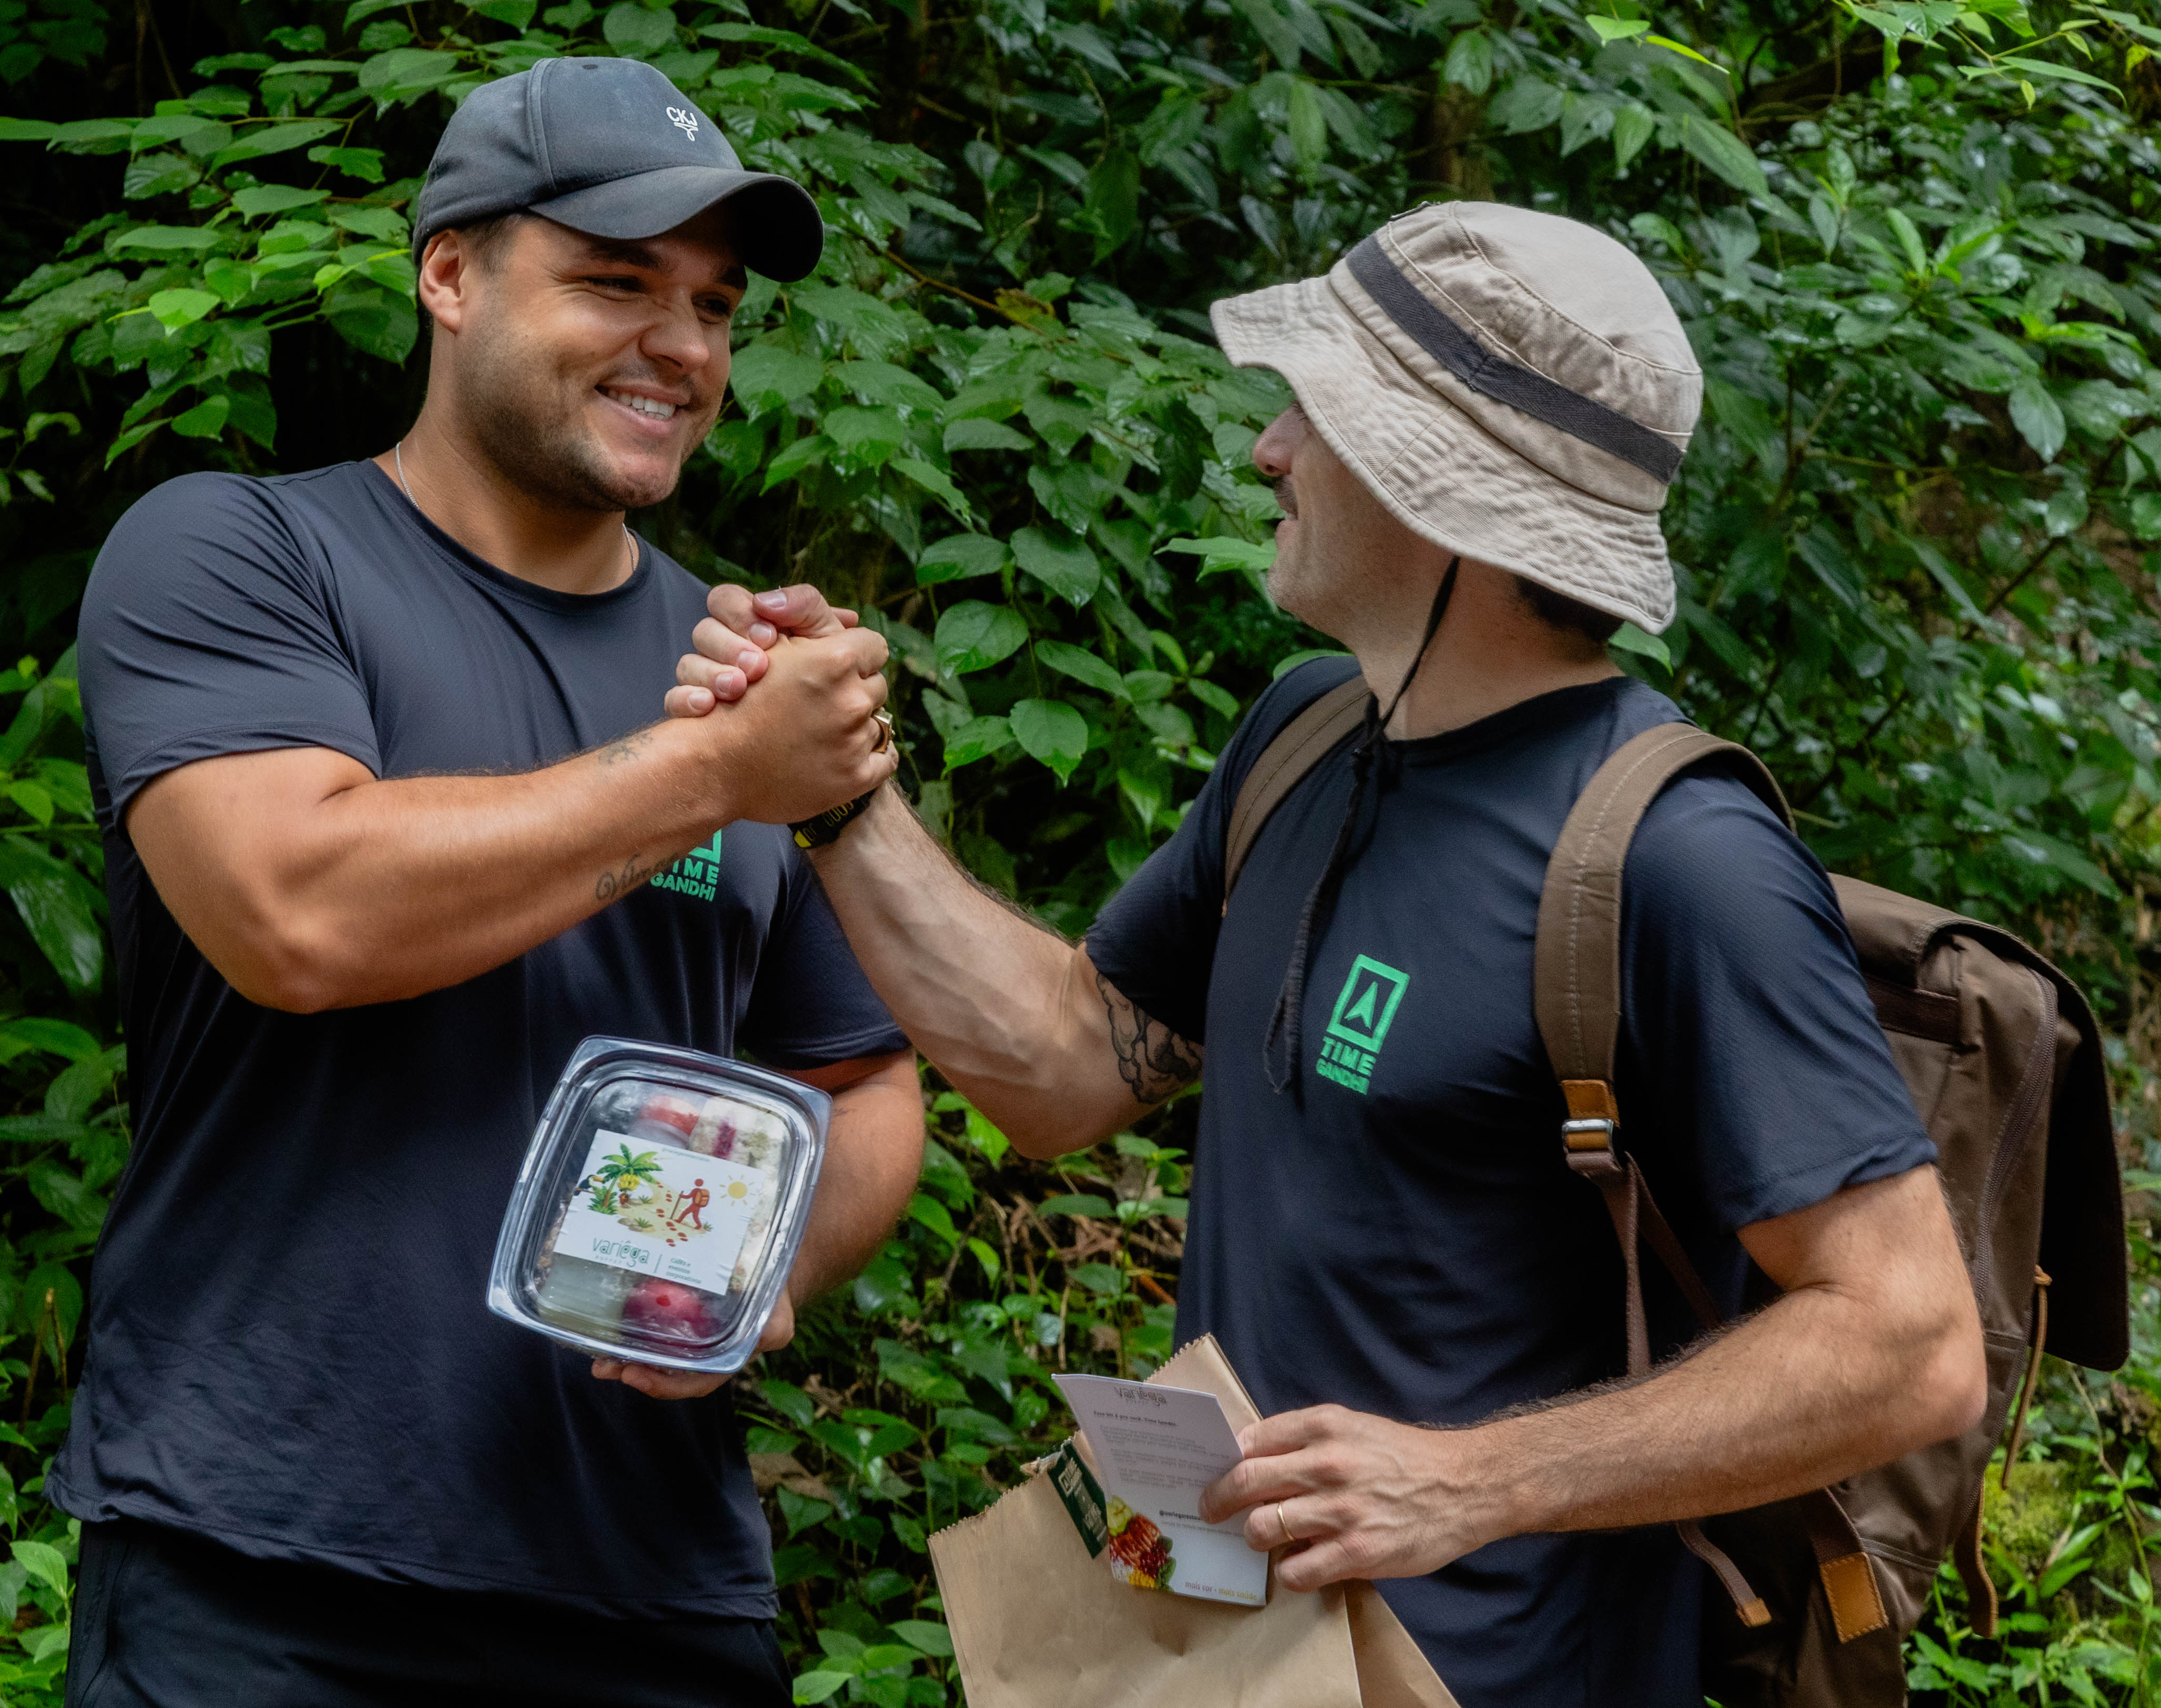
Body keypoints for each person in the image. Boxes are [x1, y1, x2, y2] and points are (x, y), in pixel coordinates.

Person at [652, 203, 1988, 1705]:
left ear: (1440, 486)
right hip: (1229, 1660)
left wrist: (1475, 1479)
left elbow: (1910, 1340)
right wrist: (838, 797)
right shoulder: (1300, 737)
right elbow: (1064, 1061)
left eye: (1315, 411)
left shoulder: (1677, 859)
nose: (1266, 449)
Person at [58, 58, 921, 1708]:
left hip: (652, 1590)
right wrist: (716, 777)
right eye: (613, 280)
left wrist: (765, 1266)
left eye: (715, 306)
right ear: (446, 273)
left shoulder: (745, 670)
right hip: (261, 1566)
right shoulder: (237, 553)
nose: (680, 345)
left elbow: (863, 1074)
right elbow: (296, 912)